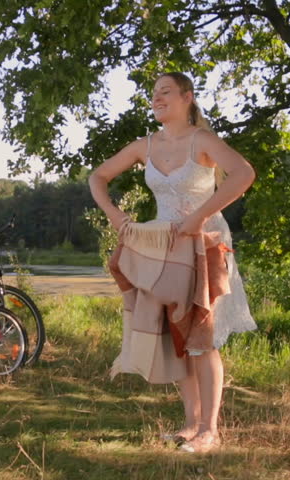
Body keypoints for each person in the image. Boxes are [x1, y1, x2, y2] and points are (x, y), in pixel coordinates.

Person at [88, 72, 257, 453]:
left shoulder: (203, 140)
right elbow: (97, 177)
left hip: (204, 244)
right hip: (164, 247)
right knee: (179, 337)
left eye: (165, 92)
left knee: (202, 336)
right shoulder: (144, 145)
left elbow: (244, 174)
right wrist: (116, 216)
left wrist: (199, 216)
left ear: (186, 97)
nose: (157, 98)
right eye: (153, 94)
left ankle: (209, 430)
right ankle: (190, 424)